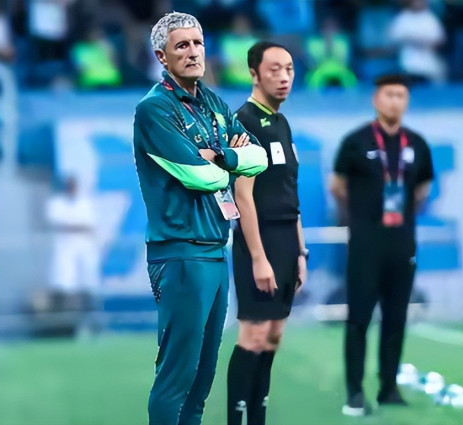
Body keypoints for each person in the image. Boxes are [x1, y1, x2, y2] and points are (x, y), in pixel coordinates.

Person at [133, 12, 267, 425]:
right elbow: (199, 176)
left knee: (202, 380)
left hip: (213, 249)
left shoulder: (211, 102)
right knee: (177, 378)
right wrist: (228, 163)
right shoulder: (155, 109)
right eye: (182, 46)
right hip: (180, 252)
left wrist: (221, 156)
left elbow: (259, 158)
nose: (193, 52)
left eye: (198, 43)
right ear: (162, 56)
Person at [330, 74, 435, 416]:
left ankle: (389, 387)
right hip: (366, 242)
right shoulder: (356, 142)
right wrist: (361, 216)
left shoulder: (417, 144)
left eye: (401, 95)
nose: (395, 101)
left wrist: (403, 214)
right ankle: (355, 390)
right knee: (359, 317)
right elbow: (337, 185)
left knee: (396, 317)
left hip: (402, 241)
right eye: (389, 95)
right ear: (376, 99)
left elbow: (422, 188)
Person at [227, 41, 306, 425]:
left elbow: (291, 192)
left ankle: (257, 418)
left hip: (287, 241)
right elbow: (243, 196)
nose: (284, 77)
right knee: (253, 336)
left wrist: (300, 252)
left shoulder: (282, 123)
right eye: (274, 69)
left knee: (273, 335)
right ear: (254, 74)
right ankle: (236, 418)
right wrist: (258, 257)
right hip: (258, 241)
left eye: (289, 69)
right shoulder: (243, 122)